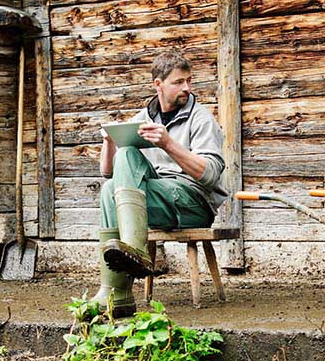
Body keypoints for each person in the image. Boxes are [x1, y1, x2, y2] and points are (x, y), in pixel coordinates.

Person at [90, 50, 227, 317]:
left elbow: (210, 175)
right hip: (156, 200)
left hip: (193, 202)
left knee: (121, 176)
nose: (186, 87)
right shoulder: (143, 117)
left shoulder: (201, 118)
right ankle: (115, 294)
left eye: (189, 81)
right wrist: (109, 142)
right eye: (178, 82)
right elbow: (108, 174)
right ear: (158, 84)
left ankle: (134, 250)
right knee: (111, 185)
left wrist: (168, 144)